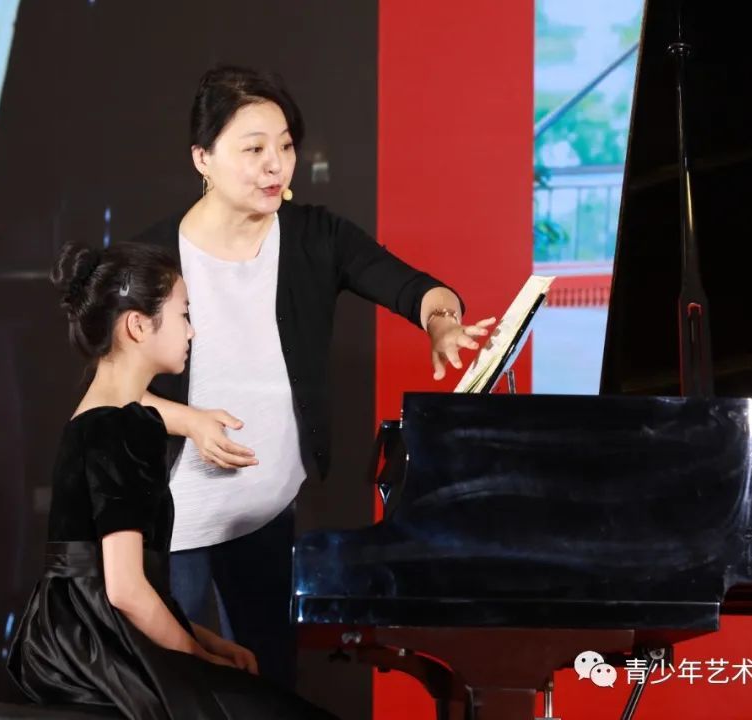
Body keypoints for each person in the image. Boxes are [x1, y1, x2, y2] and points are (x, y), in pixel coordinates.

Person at [131, 64, 496, 689]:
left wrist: (441, 321)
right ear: (203, 158)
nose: (275, 165)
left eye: (285, 146)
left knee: (271, 684)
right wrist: (187, 420)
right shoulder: (151, 258)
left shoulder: (315, 236)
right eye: (253, 149)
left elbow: (414, 288)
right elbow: (110, 394)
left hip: (266, 511)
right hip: (174, 516)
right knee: (172, 689)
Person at [5, 241, 338, 719]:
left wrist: (208, 642)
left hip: (75, 636)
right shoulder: (120, 426)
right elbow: (124, 590)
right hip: (97, 649)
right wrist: (197, 656)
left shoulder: (101, 418)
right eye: (184, 314)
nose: (192, 330)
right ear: (138, 326)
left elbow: (114, 586)